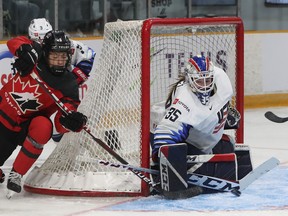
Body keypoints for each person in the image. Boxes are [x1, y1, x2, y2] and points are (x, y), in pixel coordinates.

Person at [150, 55, 252, 197]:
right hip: (181, 141)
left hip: (202, 141)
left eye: (208, 79)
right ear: (189, 79)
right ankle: (174, 185)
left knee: (231, 148)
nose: (204, 84)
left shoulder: (220, 78)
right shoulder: (185, 101)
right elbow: (163, 135)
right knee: (177, 152)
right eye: (199, 80)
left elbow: (212, 107)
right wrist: (165, 169)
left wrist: (223, 116)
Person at [0, 30, 88, 196]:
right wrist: (23, 51)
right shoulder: (35, 55)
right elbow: (14, 42)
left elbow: (60, 122)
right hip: (2, 115)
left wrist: (69, 122)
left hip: (23, 126)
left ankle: (17, 174)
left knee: (43, 126)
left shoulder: (68, 84)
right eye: (55, 56)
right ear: (46, 53)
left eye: (63, 57)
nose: (59, 61)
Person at [27, 18, 96, 142]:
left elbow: (88, 54)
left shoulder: (66, 44)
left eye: (44, 38)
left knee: (67, 121)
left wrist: (74, 78)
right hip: (45, 92)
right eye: (37, 40)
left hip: (64, 89)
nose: (41, 43)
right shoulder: (28, 52)